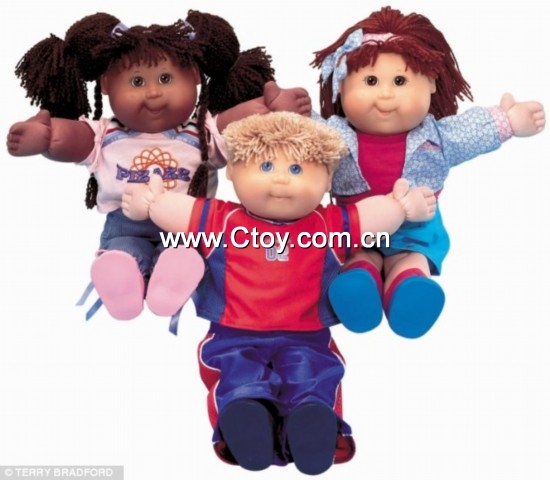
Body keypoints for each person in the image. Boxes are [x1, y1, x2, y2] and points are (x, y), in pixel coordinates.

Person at [121, 111, 436, 474]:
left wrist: (400, 207)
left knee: (315, 374)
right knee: (235, 373)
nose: (282, 179)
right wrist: (152, 202)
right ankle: (248, 416)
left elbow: (369, 219)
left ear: (327, 179)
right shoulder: (222, 219)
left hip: (307, 334)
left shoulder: (327, 224)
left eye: (298, 169)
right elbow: (180, 211)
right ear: (233, 170)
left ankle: (310, 420)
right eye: (266, 166)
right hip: (233, 332)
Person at [6, 11, 311, 321]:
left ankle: (173, 275)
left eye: (166, 79)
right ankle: (122, 275)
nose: (153, 92)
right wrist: (47, 138)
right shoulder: (105, 133)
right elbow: (75, 138)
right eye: (137, 81)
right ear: (107, 83)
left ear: (194, 75)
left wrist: (272, 110)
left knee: (182, 251)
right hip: (126, 222)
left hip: (186, 223)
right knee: (122, 251)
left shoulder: (202, 133)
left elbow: (238, 124)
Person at [311, 6, 545, 338]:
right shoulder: (333, 135)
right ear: (341, 86)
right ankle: (358, 283)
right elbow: (299, 137)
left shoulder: (438, 136)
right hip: (357, 227)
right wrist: (285, 112)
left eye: (400, 81)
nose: (386, 94)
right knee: (357, 258)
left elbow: (471, 130)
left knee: (411, 259)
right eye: (370, 81)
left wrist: (509, 121)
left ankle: (407, 289)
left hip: (415, 230)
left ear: (432, 83)